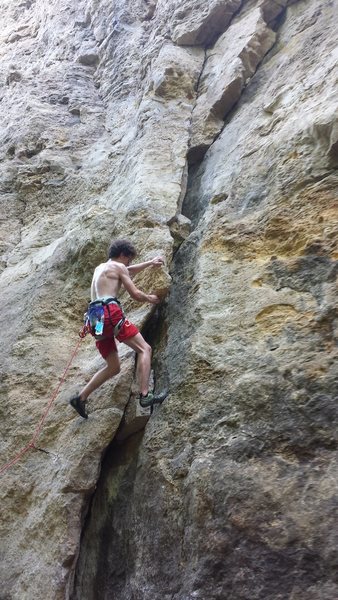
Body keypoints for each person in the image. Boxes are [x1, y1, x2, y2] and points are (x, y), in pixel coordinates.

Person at [69, 239, 168, 419]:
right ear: (123, 255)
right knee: (145, 348)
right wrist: (150, 298)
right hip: (110, 313)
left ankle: (80, 397)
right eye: (129, 259)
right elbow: (135, 294)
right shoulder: (119, 267)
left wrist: (149, 263)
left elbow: (127, 270)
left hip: (95, 319)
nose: (129, 264)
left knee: (113, 367)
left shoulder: (101, 268)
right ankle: (145, 395)